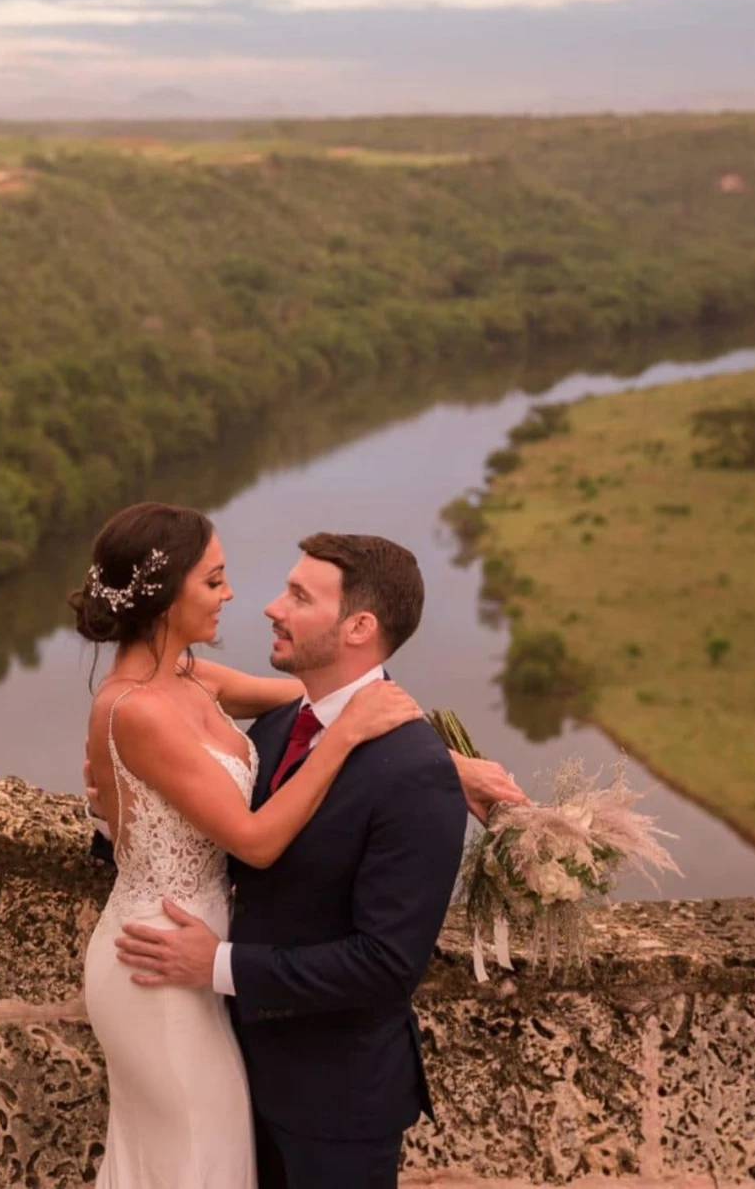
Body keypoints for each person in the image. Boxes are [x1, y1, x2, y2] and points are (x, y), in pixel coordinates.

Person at [77, 504, 523, 1189]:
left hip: (333, 1092)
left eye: (297, 596)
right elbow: (233, 834)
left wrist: (440, 756)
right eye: (217, 580)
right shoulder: (251, 721)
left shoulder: (402, 768)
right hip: (184, 990)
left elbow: (386, 963)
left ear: (358, 627)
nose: (255, 604)